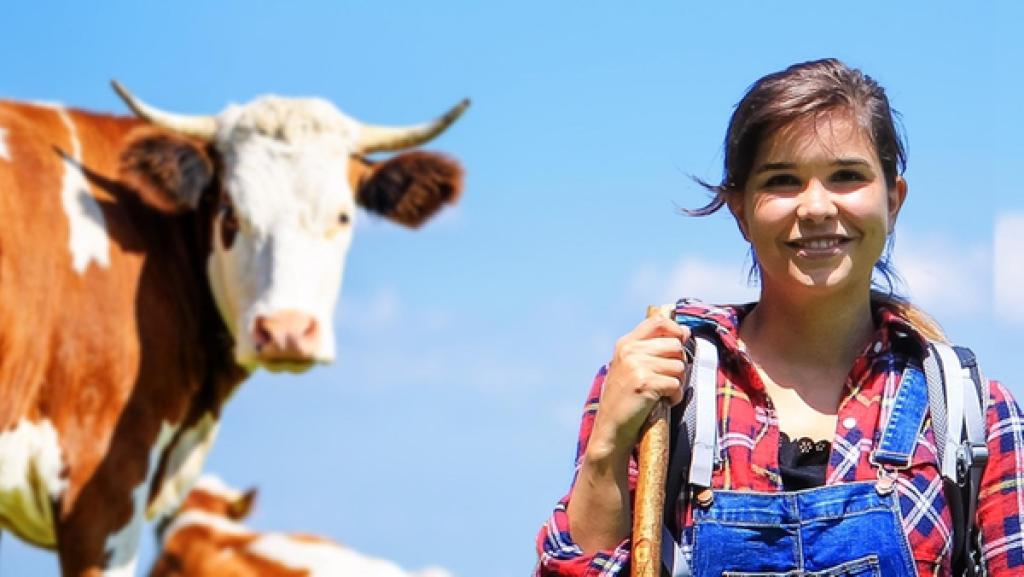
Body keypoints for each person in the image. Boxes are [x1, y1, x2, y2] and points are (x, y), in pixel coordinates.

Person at [535, 58, 1024, 576]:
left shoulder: (972, 414)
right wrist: (607, 446)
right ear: (740, 209)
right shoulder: (667, 386)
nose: (815, 207)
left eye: (846, 176)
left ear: (893, 200)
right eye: (783, 180)